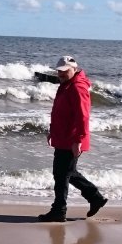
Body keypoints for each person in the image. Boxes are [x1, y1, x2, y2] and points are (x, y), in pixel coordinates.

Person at [38, 55, 108, 222]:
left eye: (65, 71)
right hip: (63, 137)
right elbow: (59, 112)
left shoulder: (77, 87)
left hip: (71, 140)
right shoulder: (66, 85)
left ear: (74, 69)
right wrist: (52, 131)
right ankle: (95, 197)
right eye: (59, 71)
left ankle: (59, 210)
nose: (61, 74)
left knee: (62, 174)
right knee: (67, 172)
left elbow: (83, 116)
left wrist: (78, 140)